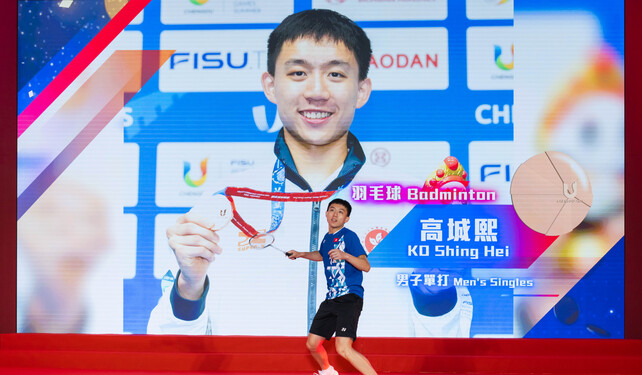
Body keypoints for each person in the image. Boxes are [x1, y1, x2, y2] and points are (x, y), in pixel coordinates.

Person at [147, 9, 471, 338]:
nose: (316, 91)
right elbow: (170, 352)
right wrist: (189, 287)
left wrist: (435, 294)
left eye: (336, 74)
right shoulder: (222, 205)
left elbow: (450, 353)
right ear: (271, 86)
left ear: (362, 90)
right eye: (299, 73)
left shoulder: (413, 204)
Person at [287, 198, 394, 375]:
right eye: (332, 210)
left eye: (340, 212)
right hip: (331, 298)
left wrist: (345, 255)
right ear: (326, 214)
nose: (335, 214)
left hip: (349, 297)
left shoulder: (349, 236)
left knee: (343, 348)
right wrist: (301, 254)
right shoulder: (327, 238)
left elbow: (366, 265)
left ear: (347, 218)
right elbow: (322, 255)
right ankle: (327, 372)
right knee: (312, 344)